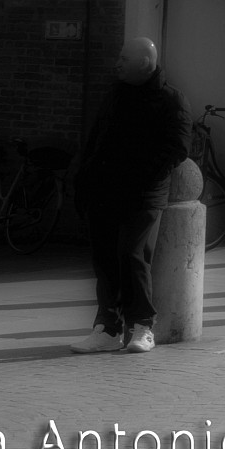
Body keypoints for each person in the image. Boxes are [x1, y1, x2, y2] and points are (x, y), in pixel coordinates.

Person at [71, 38, 190, 354]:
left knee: (132, 254)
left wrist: (145, 175)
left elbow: (177, 148)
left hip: (144, 194)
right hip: (105, 190)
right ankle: (107, 327)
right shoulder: (115, 95)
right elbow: (96, 139)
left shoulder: (171, 100)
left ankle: (142, 326)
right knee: (105, 258)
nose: (117, 63)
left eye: (124, 58)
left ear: (145, 64)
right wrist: (84, 178)